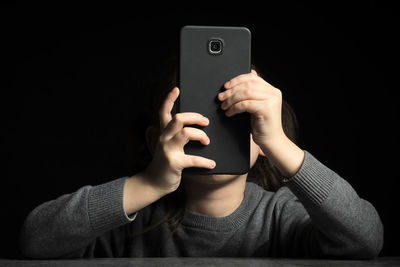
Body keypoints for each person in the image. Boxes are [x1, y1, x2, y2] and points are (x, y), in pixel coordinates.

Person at [19, 65, 383, 259]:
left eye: (238, 119)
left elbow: (366, 239)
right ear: (156, 139)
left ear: (262, 146)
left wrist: (278, 143)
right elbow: (35, 240)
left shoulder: (280, 218)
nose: (213, 132)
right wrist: (150, 183)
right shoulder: (132, 220)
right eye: (195, 117)